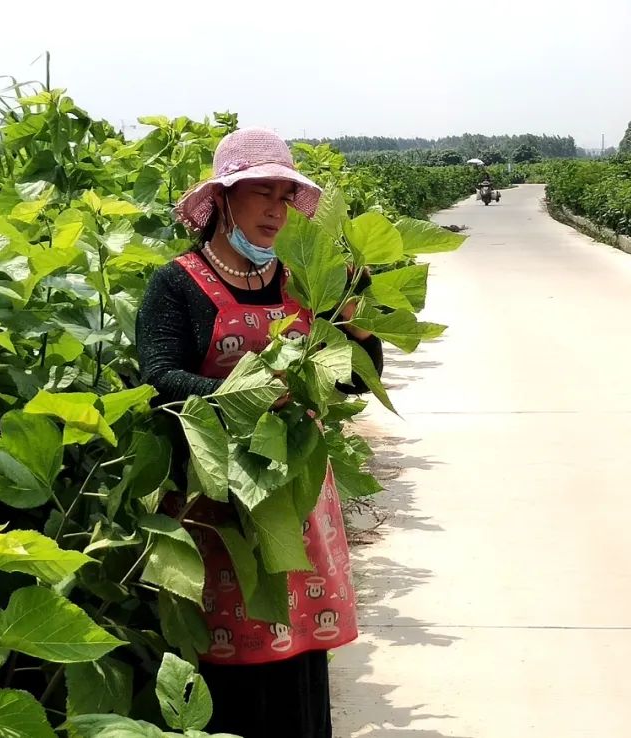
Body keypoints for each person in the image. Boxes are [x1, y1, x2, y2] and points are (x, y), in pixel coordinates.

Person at [135, 127, 383, 738]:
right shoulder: (179, 283)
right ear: (222, 201)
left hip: (298, 492)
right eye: (260, 193)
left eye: (284, 195)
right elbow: (160, 378)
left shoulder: (301, 281)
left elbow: (354, 381)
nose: (275, 209)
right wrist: (247, 399)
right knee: (235, 656)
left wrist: (352, 327)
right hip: (220, 498)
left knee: (301, 649)